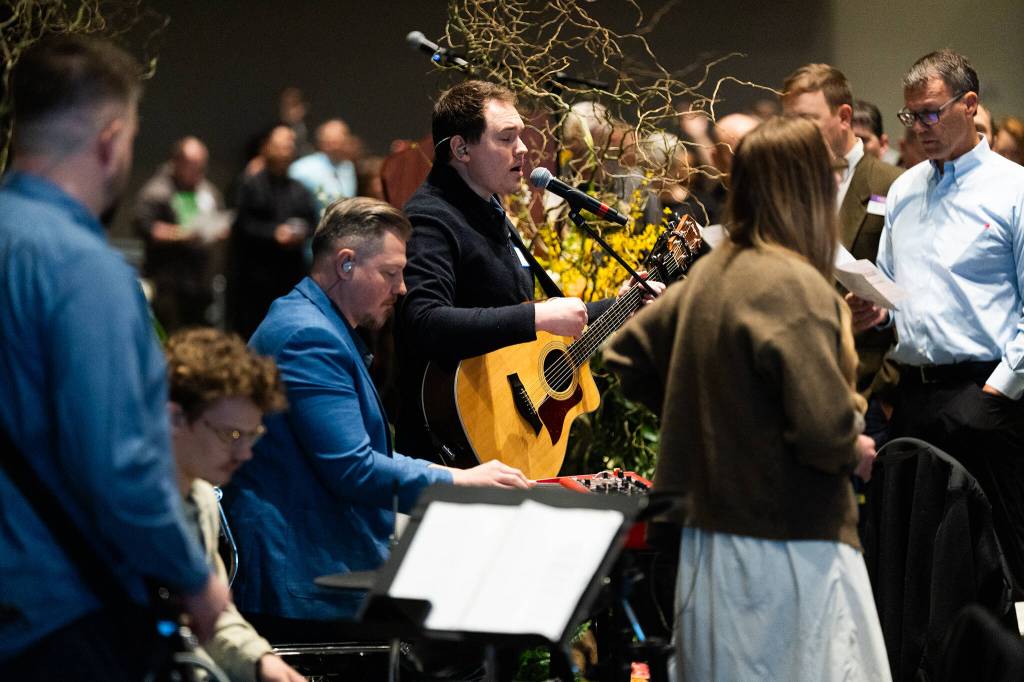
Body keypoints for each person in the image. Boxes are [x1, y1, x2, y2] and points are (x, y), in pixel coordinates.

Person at [604, 116, 888, 681]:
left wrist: (708, 418)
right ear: (811, 188)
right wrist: (853, 441)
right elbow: (823, 431)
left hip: (708, 541)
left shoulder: (713, 273)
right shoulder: (798, 284)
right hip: (790, 541)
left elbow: (624, 354)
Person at [0, 36, 228, 679]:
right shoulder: (84, 269)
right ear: (110, 139)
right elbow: (119, 464)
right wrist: (196, 580)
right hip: (64, 617)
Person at [223, 197, 529, 639]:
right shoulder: (308, 337)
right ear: (346, 264)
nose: (402, 288)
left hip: (316, 554)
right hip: (302, 581)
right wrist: (460, 481)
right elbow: (353, 468)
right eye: (391, 273)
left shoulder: (311, 321)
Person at [394, 80, 659, 462]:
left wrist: (621, 304)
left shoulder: (488, 208)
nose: (522, 150)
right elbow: (423, 322)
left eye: (521, 136)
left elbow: (520, 322)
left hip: (502, 434)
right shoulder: (431, 219)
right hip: (450, 452)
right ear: (461, 148)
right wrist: (537, 314)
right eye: (506, 138)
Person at [847, 49, 1024, 597]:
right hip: (915, 402)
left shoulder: (1014, 190)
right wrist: (872, 308)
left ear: (969, 106)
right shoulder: (904, 190)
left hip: (986, 397)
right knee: (916, 572)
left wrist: (998, 391)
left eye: (930, 113)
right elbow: (894, 290)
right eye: (910, 116)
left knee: (1002, 567)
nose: (919, 127)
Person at [165, 328, 305, 682]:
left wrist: (261, 661)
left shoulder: (202, 500)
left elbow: (216, 618)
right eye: (232, 436)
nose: (245, 453)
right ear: (175, 418)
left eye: (253, 435)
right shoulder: (120, 505)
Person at [228, 124, 319, 339]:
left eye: (289, 145)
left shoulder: (300, 189)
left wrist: (301, 233)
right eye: (280, 145)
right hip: (255, 281)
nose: (286, 150)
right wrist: (274, 234)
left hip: (289, 277)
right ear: (267, 147)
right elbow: (241, 225)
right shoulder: (250, 185)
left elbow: (314, 223)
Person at [133, 136, 229, 331]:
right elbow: (146, 228)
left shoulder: (206, 191)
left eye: (202, 165)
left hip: (201, 281)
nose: (198, 171)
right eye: (193, 165)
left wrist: (218, 230)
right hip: (169, 284)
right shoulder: (157, 191)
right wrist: (184, 235)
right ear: (176, 162)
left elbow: (218, 216)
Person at [289, 118, 358, 211]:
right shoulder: (303, 167)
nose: (336, 146)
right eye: (331, 142)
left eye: (340, 140)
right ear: (321, 143)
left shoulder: (348, 167)